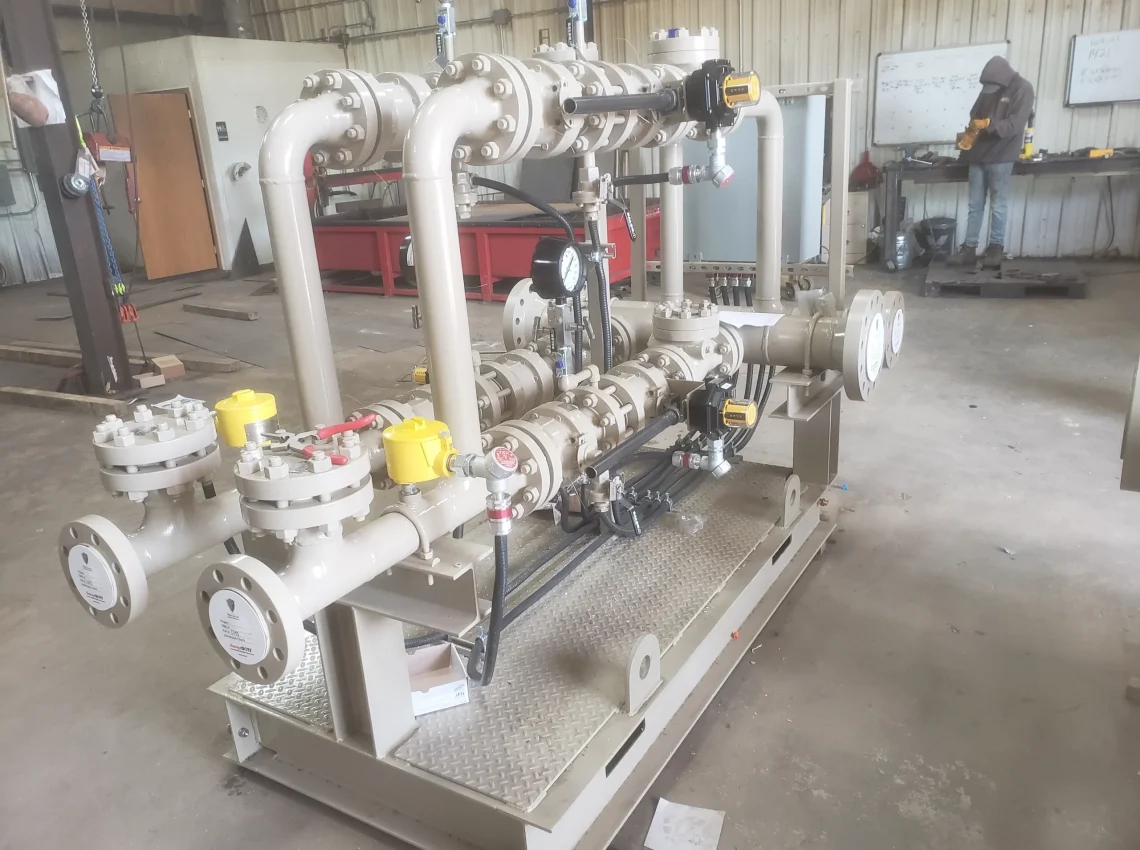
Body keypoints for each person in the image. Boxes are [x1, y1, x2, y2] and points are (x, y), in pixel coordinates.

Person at [954, 56, 1034, 268]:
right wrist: (970, 132)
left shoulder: (1023, 89)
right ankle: (969, 249)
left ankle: (995, 250)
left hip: (1001, 156)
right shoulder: (990, 87)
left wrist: (989, 125)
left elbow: (1015, 125)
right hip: (978, 155)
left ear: (1003, 77)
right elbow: (975, 114)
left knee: (998, 205)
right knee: (975, 205)